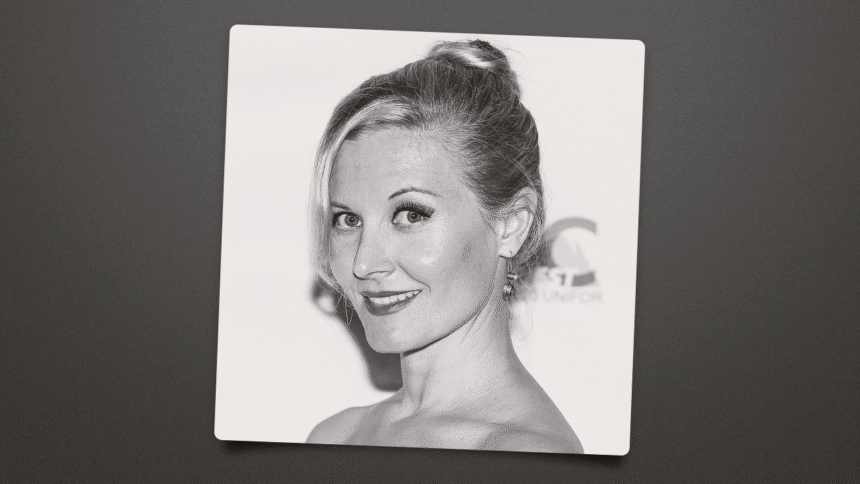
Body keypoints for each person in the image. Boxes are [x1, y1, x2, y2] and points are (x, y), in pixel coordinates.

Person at [306, 39, 583, 454]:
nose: (364, 263)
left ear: (511, 225)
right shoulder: (334, 436)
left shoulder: (525, 452)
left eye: (410, 214)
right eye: (348, 220)